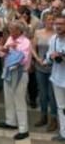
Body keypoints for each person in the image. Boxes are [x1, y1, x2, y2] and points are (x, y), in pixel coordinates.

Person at [46, 14, 65, 142]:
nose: (58, 26)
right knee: (61, 107)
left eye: (61, 24)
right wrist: (51, 57)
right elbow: (48, 55)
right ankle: (63, 133)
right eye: (56, 24)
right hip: (57, 77)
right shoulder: (53, 39)